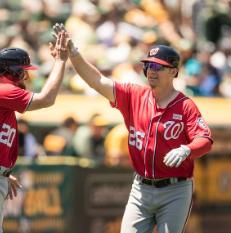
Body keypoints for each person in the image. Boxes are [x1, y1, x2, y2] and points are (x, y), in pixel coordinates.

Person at [53, 24, 213, 233]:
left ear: (173, 71)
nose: (151, 71)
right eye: (149, 66)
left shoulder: (185, 106)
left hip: (176, 189)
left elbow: (205, 140)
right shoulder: (134, 95)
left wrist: (187, 149)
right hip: (141, 188)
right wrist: (74, 54)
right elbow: (97, 81)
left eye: (158, 67)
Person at [0, 31, 69, 233]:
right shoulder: (3, 91)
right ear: (14, 71)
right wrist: (61, 61)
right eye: (23, 71)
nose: (26, 75)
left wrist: (2, 172)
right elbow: (47, 99)